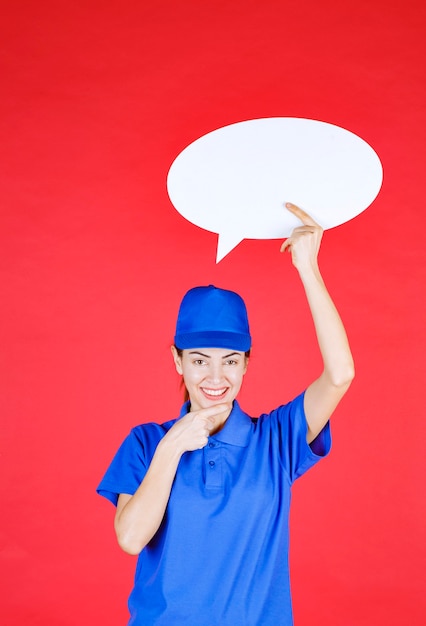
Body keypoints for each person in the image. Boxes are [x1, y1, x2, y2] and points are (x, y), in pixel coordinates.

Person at [97, 203, 355, 626]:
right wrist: (173, 445)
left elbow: (341, 374)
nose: (215, 376)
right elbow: (130, 537)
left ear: (247, 363)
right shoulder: (146, 443)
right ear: (177, 361)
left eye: (231, 361)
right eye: (199, 361)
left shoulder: (277, 439)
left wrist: (308, 266)